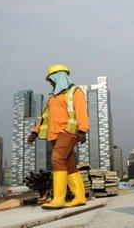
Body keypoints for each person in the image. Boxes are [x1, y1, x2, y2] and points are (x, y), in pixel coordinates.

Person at [27, 63, 89, 209]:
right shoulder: (51, 98)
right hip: (54, 135)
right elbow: (44, 117)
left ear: (58, 76)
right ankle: (79, 197)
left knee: (57, 159)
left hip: (68, 132)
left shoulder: (75, 92)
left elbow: (81, 111)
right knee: (69, 165)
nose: (49, 82)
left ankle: (58, 199)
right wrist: (34, 132)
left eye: (50, 79)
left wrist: (82, 130)